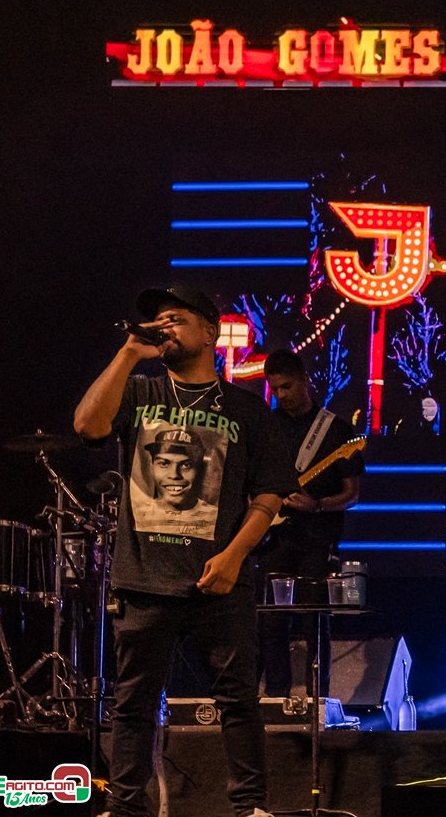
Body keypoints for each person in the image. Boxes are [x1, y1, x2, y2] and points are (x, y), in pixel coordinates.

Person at [74, 285, 293, 817]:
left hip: (219, 580)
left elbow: (268, 494)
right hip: (144, 578)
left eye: (175, 319)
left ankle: (249, 807)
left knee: (238, 703)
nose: (163, 328)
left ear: (210, 331)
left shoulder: (246, 409)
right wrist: (129, 351)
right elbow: (88, 426)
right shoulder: (141, 390)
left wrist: (236, 556)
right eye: (157, 321)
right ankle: (127, 807)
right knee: (133, 705)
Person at [256, 349, 364, 699]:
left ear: (305, 380)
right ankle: (275, 698)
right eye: (275, 389)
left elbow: (353, 494)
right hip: (274, 538)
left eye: (287, 386)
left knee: (314, 620)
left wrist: (316, 505)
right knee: (270, 622)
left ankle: (319, 699)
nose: (281, 395)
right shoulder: (268, 426)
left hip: (318, 539)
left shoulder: (336, 430)